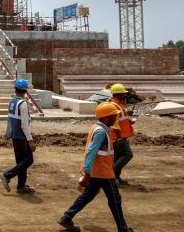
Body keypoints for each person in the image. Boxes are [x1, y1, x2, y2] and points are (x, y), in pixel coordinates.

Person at [58, 102, 134, 232]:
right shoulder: (100, 132)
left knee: (89, 195)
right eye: (113, 116)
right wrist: (87, 174)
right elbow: (91, 152)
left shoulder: (98, 128)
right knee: (115, 200)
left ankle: (67, 217)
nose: (115, 118)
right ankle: (123, 229)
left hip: (97, 171)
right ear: (105, 118)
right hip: (103, 173)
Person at [0, 78, 37, 194]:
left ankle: (21, 186)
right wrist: (30, 140)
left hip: (14, 135)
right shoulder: (23, 104)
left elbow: (11, 120)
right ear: (25, 91)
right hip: (22, 136)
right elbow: (24, 124)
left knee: (21, 162)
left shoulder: (12, 102)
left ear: (15, 89)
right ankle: (7, 175)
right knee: (28, 160)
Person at [108, 83, 135, 185]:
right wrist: (120, 138)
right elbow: (115, 124)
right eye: (123, 94)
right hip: (118, 137)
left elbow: (121, 121)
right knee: (127, 155)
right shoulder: (115, 106)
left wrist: (129, 120)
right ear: (118, 94)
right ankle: (111, 176)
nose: (125, 95)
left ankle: (116, 178)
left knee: (117, 157)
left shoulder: (118, 105)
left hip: (118, 137)